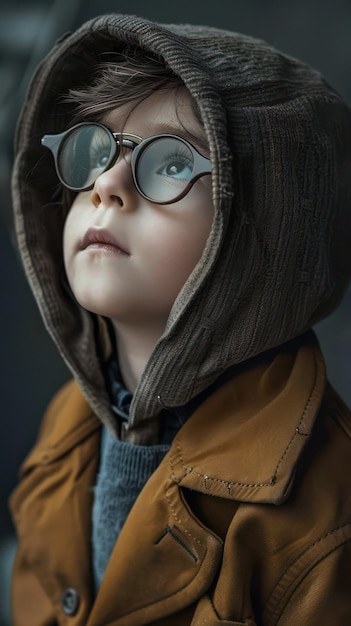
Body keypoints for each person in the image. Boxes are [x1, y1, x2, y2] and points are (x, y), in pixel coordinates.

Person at [8, 12, 351, 626]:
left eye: (168, 162)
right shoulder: (65, 425)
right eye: (93, 148)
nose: (106, 185)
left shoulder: (328, 511)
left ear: (264, 228)